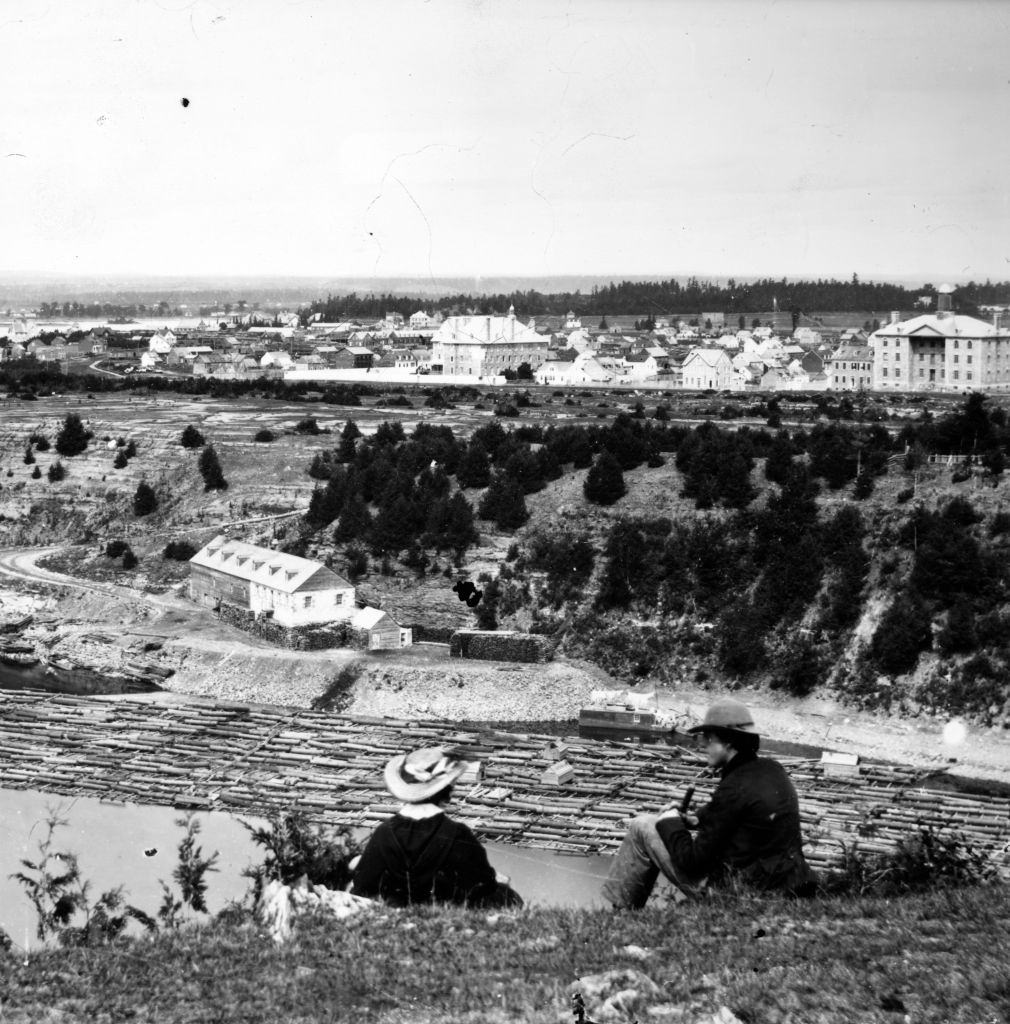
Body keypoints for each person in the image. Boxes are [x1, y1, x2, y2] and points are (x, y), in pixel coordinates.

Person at [602, 698, 817, 909]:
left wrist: (670, 822)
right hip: (786, 886)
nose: (703, 743)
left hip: (739, 893)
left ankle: (620, 913)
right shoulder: (772, 769)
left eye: (709, 738)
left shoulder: (733, 787)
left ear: (729, 741)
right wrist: (696, 820)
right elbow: (738, 816)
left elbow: (693, 861)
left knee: (642, 825)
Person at [350, 745, 524, 909]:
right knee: (509, 896)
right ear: (448, 789)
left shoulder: (384, 832)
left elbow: (363, 886)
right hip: (445, 915)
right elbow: (483, 886)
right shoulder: (458, 834)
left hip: (395, 912)